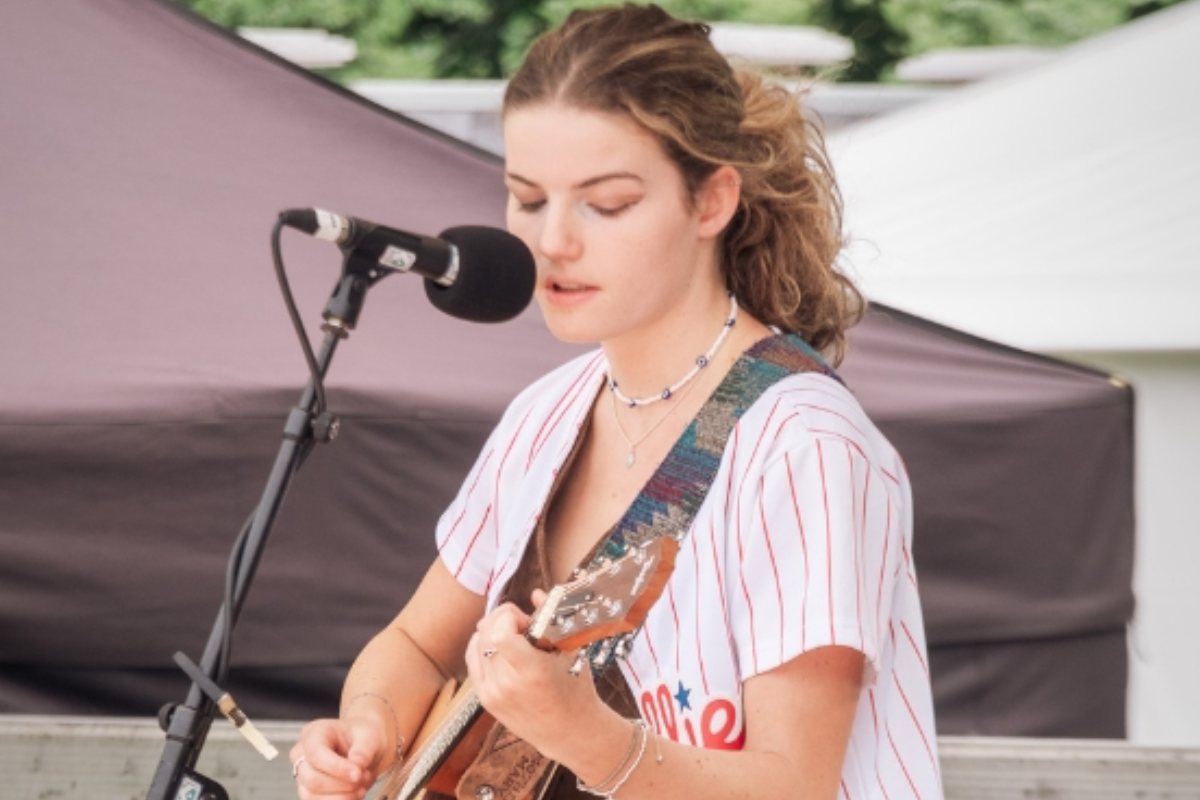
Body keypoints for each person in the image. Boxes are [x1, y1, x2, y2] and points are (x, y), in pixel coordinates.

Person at [291, 4, 942, 800]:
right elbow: (418, 649)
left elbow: (795, 784)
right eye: (528, 199)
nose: (553, 241)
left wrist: (585, 735)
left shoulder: (804, 446)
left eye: (606, 203)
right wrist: (367, 727)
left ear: (711, 202)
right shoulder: (544, 415)